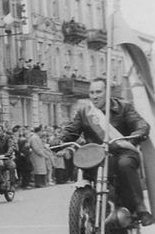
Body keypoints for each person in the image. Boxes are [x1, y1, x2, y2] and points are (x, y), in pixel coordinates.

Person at [62, 77, 154, 226]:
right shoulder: (85, 112)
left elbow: (138, 122)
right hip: (96, 154)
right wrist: (61, 140)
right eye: (92, 92)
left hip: (122, 151)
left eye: (98, 91)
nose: (94, 95)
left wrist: (140, 131)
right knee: (82, 167)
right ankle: (87, 203)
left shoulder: (124, 107)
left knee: (124, 164)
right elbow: (72, 130)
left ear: (108, 92)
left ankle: (140, 209)